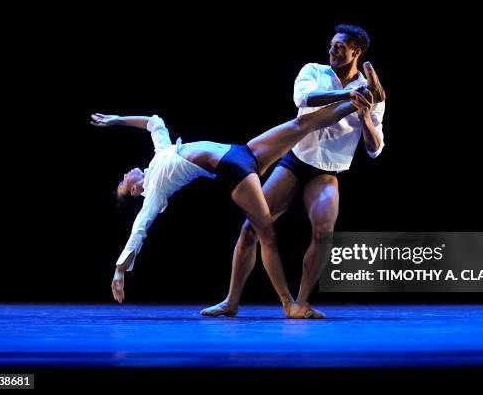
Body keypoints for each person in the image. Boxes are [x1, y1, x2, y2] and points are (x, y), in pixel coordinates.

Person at [91, 89, 374, 318]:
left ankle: (361, 98)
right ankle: (288, 303)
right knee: (265, 234)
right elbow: (139, 230)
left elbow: (154, 121)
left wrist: (116, 119)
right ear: (133, 190)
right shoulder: (153, 191)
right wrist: (119, 271)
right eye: (123, 183)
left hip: (242, 152)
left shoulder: (160, 154)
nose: (125, 174)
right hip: (232, 172)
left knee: (303, 124)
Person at [202, 24, 386, 319]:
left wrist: (365, 115)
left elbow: (375, 149)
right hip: (295, 161)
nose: (332, 51)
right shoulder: (314, 70)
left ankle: (300, 303)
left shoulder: (371, 95)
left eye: (339, 47)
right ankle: (231, 301)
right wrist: (350, 96)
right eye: (331, 45)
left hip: (327, 171)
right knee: (251, 227)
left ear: (356, 51)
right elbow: (304, 100)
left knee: (324, 231)